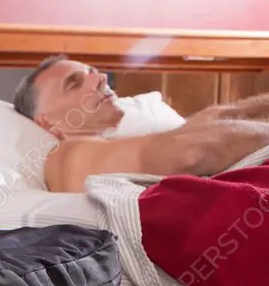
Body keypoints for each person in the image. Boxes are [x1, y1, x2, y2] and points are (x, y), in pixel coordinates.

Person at [13, 55, 269, 192]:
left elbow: (207, 122)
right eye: (75, 83)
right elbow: (189, 152)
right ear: (47, 122)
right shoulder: (68, 155)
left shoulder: (100, 148)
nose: (101, 78)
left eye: (93, 71)